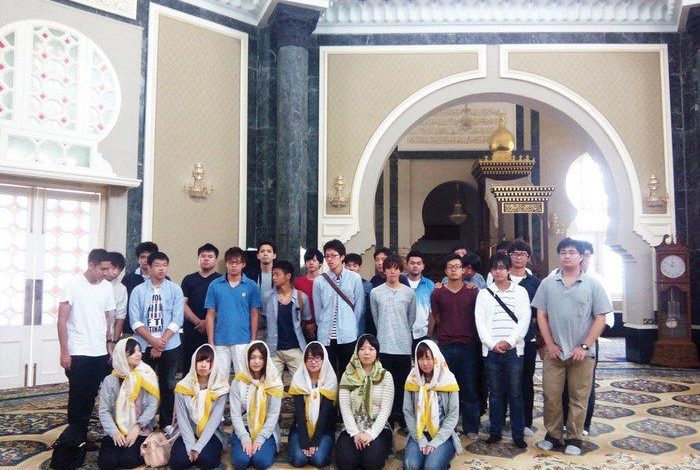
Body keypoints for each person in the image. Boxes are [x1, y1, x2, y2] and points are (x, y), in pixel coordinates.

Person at [533, 238, 612, 456]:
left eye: (572, 252)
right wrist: (549, 344)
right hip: (554, 353)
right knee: (551, 395)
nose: (567, 256)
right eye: (563, 252)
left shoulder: (593, 284)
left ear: (581, 256)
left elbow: (601, 317)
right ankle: (553, 434)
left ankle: (575, 438)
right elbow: (541, 314)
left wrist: (584, 346)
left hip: (582, 354)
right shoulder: (548, 283)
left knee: (579, 397)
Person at [56, 248, 115, 445]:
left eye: (108, 269)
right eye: (102, 269)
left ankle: (82, 434)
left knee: (90, 395)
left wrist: (109, 342)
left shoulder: (107, 287)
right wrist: (64, 351)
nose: (106, 273)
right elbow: (62, 320)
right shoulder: (72, 285)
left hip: (99, 350)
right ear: (91, 265)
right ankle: (74, 438)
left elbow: (107, 317)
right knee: (77, 395)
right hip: (78, 349)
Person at [475, 253, 530, 448]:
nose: (498, 271)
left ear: (508, 270)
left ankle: (517, 435)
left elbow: (524, 320)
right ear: (490, 271)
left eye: (501, 268)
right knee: (495, 393)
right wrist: (493, 345)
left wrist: (509, 342)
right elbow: (480, 322)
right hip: (491, 351)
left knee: (515, 393)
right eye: (494, 268)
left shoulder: (521, 292)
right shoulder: (484, 294)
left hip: (514, 351)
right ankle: (495, 432)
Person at [561, 240, 613, 435]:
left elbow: (605, 317)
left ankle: (584, 424)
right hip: (562, 341)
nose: (584, 259)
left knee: (584, 385)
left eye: (587, 255)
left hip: (587, 342)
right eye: (565, 252)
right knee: (563, 385)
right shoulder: (555, 278)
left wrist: (586, 342)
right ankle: (565, 421)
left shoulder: (597, 281)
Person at [129, 251, 184, 431]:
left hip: (170, 344)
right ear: (149, 267)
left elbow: (177, 319)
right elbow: (135, 321)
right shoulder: (138, 290)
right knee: (145, 385)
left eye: (164, 265)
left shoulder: (175, 289)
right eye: (157, 265)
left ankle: (166, 422)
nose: (161, 269)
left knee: (168, 384)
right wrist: (153, 341)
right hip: (144, 345)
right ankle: (145, 421)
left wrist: (162, 342)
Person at [429, 254, 480, 438]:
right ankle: (447, 425)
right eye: (450, 267)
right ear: (445, 270)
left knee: (469, 388)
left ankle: (471, 427)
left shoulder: (473, 292)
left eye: (457, 266)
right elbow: (437, 318)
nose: (453, 270)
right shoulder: (437, 293)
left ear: (463, 270)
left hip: (468, 346)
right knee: (445, 388)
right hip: (446, 346)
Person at [97, 338, 159, 470]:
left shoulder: (147, 374)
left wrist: (137, 427)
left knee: (128, 461)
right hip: (116, 429)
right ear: (121, 355)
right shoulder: (110, 380)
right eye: (133, 352)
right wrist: (114, 432)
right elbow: (104, 410)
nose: (138, 354)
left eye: (139, 350)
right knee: (107, 463)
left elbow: (152, 406)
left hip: (140, 429)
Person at [370, 254, 416, 428]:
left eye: (396, 268)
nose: (392, 271)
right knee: (385, 384)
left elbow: (411, 318)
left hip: (403, 345)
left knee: (403, 382)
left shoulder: (409, 292)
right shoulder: (375, 292)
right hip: (383, 344)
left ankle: (403, 416)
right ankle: (386, 417)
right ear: (384, 271)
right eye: (389, 268)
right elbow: (376, 317)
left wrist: (401, 331)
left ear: (400, 271)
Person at [336, 334, 394, 470]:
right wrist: (355, 433)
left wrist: (370, 434)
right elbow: (345, 407)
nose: (366, 353)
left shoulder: (385, 376)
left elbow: (385, 410)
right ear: (356, 352)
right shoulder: (348, 375)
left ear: (377, 352)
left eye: (371, 349)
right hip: (352, 427)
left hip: (377, 427)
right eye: (362, 349)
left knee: (371, 462)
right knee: (345, 463)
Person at [403, 340, 462, 470]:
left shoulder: (448, 380)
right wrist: (420, 439)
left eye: (428, 358)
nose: (425, 363)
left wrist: (435, 442)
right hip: (419, 433)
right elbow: (408, 412)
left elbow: (452, 416)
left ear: (436, 357)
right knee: (410, 465)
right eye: (421, 358)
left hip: (443, 435)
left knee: (431, 467)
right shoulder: (412, 380)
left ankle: (442, 456)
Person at [205, 247, 262, 378]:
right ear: (226, 263)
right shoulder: (215, 285)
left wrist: (253, 339)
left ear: (243, 264)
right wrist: (210, 340)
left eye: (237, 262)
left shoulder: (251, 286)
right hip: (220, 340)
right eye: (231, 262)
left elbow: (254, 313)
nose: (234, 266)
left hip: (243, 339)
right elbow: (210, 314)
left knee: (244, 379)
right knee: (219, 379)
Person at [170, 344, 229, 470]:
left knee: (206, 460)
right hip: (186, 432)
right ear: (194, 363)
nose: (203, 365)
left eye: (208, 361)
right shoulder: (183, 387)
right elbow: (182, 419)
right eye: (200, 361)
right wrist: (190, 445)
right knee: (178, 462)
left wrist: (198, 447)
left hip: (212, 433)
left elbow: (214, 421)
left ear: (214, 364)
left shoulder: (220, 388)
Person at [312, 239, 365, 378]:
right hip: (326, 334)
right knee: (326, 374)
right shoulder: (319, 281)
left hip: (348, 334)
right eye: (327, 256)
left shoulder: (354, 278)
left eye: (333, 255)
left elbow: (359, 306)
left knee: (347, 373)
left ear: (342, 257)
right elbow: (318, 310)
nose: (329, 259)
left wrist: (351, 324)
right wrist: (322, 324)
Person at [229, 341, 283, 470]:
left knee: (261, 462)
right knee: (241, 462)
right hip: (244, 427)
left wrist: (260, 439)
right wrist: (244, 438)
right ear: (247, 359)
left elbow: (273, 415)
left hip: (266, 430)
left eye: (261, 358)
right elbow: (235, 414)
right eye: (252, 357)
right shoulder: (239, 381)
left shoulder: (274, 382)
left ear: (266, 360)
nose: (256, 362)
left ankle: (266, 448)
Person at [506, 240, 541, 437]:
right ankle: (503, 419)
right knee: (503, 381)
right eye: (515, 253)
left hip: (527, 340)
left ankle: (526, 421)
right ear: (509, 256)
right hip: (503, 339)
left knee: (526, 380)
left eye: (522, 254)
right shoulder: (500, 279)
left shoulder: (535, 283)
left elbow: (538, 314)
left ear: (528, 258)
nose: (518, 257)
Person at [287, 342, 338, 468]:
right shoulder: (299, 379)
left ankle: (323, 450)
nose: (313, 362)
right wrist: (304, 440)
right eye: (309, 358)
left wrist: (315, 441)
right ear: (304, 360)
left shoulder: (330, 380)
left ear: (323, 360)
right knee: (299, 459)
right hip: (300, 429)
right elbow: (299, 414)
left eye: (317, 358)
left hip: (324, 430)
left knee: (318, 459)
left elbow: (325, 414)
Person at [264, 260, 312, 379]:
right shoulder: (268, 297)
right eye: (273, 274)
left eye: (277, 274)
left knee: (301, 382)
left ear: (288, 276)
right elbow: (263, 319)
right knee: (272, 384)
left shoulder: (301, 297)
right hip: (274, 349)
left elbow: (306, 318)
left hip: (295, 347)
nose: (274, 277)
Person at [181, 244, 222, 373]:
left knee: (212, 367)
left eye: (210, 256)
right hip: (192, 329)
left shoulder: (221, 280)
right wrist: (198, 322)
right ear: (198, 258)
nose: (206, 259)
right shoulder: (188, 279)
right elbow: (183, 304)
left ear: (216, 259)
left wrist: (207, 322)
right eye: (203, 256)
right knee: (189, 366)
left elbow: (223, 306)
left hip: (214, 331)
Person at [122, 241, 159, 335]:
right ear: (138, 259)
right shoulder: (128, 279)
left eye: (149, 257)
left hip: (156, 330)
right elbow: (124, 305)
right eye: (142, 257)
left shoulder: (164, 279)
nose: (146, 260)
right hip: (131, 330)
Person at [243, 241, 277, 340]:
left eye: (269, 251)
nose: (265, 254)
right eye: (262, 251)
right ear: (258, 255)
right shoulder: (249, 276)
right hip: (255, 319)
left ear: (274, 255)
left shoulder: (279, 275)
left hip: (274, 319)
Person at [405, 250, 434, 349]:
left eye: (418, 263)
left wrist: (429, 333)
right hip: (402, 332)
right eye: (412, 263)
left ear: (423, 266)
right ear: (407, 265)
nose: (415, 266)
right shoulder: (400, 282)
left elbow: (432, 312)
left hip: (423, 333)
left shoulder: (429, 285)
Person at [294, 248, 323, 337]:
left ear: (320, 263)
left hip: (322, 324)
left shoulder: (325, 282)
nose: (311, 263)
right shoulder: (298, 282)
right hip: (303, 325)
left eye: (314, 260)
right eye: (308, 260)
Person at [344, 252, 374, 335]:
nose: (351, 268)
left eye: (355, 266)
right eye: (348, 265)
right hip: (344, 324)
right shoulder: (340, 285)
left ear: (360, 267)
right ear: (344, 266)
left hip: (361, 325)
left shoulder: (367, 285)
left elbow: (369, 310)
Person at [106, 251, 128, 342]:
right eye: (113, 268)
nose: (115, 272)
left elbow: (120, 317)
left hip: (110, 337)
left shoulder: (121, 288)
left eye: (119, 269)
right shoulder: (95, 284)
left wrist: (115, 340)